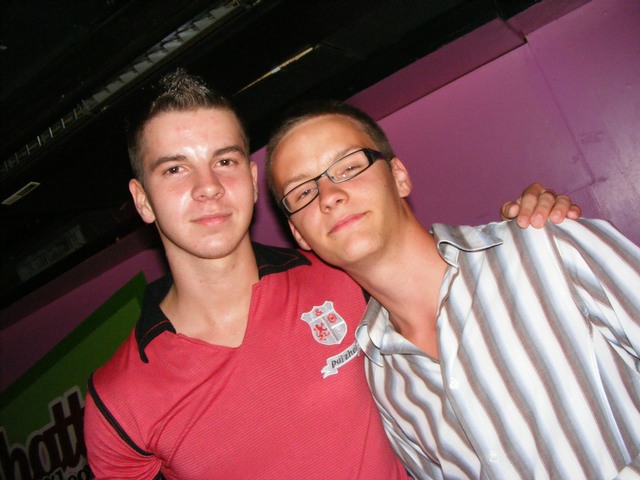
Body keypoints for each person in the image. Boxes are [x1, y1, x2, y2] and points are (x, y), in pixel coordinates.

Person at [83, 70, 578, 479]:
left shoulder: (341, 275)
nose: (208, 186)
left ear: (252, 181)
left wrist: (532, 222)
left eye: (225, 160)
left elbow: (437, 266)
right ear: (142, 200)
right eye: (175, 169)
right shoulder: (119, 399)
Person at [265, 100, 640, 480]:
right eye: (302, 193)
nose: (329, 196)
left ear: (398, 177)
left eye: (349, 167)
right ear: (299, 234)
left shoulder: (550, 247)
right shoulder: (384, 381)